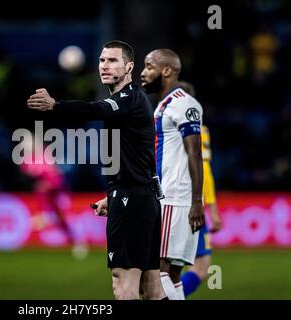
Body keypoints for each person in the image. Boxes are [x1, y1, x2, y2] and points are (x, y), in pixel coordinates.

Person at [27, 40, 166, 300]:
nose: (105, 65)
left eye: (113, 60)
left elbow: (93, 109)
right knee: (152, 289)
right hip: (140, 197)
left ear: (129, 67)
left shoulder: (127, 99)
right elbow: (134, 158)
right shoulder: (129, 103)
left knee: (123, 286)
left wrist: (55, 105)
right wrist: (113, 194)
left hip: (133, 200)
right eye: (102, 60)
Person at [140, 49, 205, 300]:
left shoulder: (182, 103)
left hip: (174, 197)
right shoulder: (165, 105)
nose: (143, 73)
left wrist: (197, 201)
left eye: (148, 66)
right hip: (175, 198)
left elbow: (194, 153)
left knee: (156, 273)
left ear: (166, 71)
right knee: (173, 275)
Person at [178, 81, 222, 297]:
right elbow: (203, 169)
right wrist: (211, 208)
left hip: (165, 203)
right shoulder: (197, 129)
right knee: (201, 266)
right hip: (188, 205)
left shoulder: (158, 125)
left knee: (168, 267)